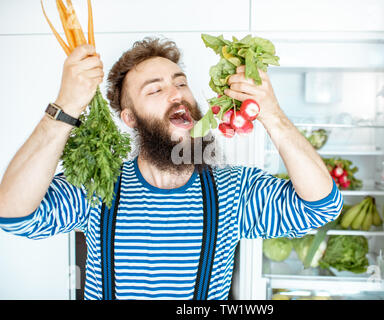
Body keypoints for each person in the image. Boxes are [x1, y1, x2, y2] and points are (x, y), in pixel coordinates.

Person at [0, 37, 342, 300]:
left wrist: (270, 113)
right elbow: (13, 213)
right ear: (130, 118)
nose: (177, 94)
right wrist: (66, 106)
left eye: (180, 82)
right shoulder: (98, 186)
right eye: (156, 89)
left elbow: (321, 206)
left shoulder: (233, 189)